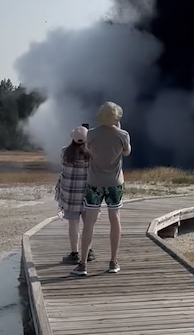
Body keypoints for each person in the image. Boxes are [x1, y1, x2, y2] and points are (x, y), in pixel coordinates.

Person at [74, 102, 131, 276]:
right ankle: (113, 262)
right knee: (115, 220)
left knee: (89, 222)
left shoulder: (91, 134)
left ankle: (83, 264)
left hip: (94, 182)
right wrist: (118, 131)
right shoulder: (123, 134)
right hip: (114, 183)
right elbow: (127, 152)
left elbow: (86, 151)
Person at [57, 125, 95, 265]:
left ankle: (74, 253)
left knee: (73, 225)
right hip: (87, 195)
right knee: (88, 224)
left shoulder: (64, 152)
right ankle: (88, 251)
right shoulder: (92, 154)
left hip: (70, 196)